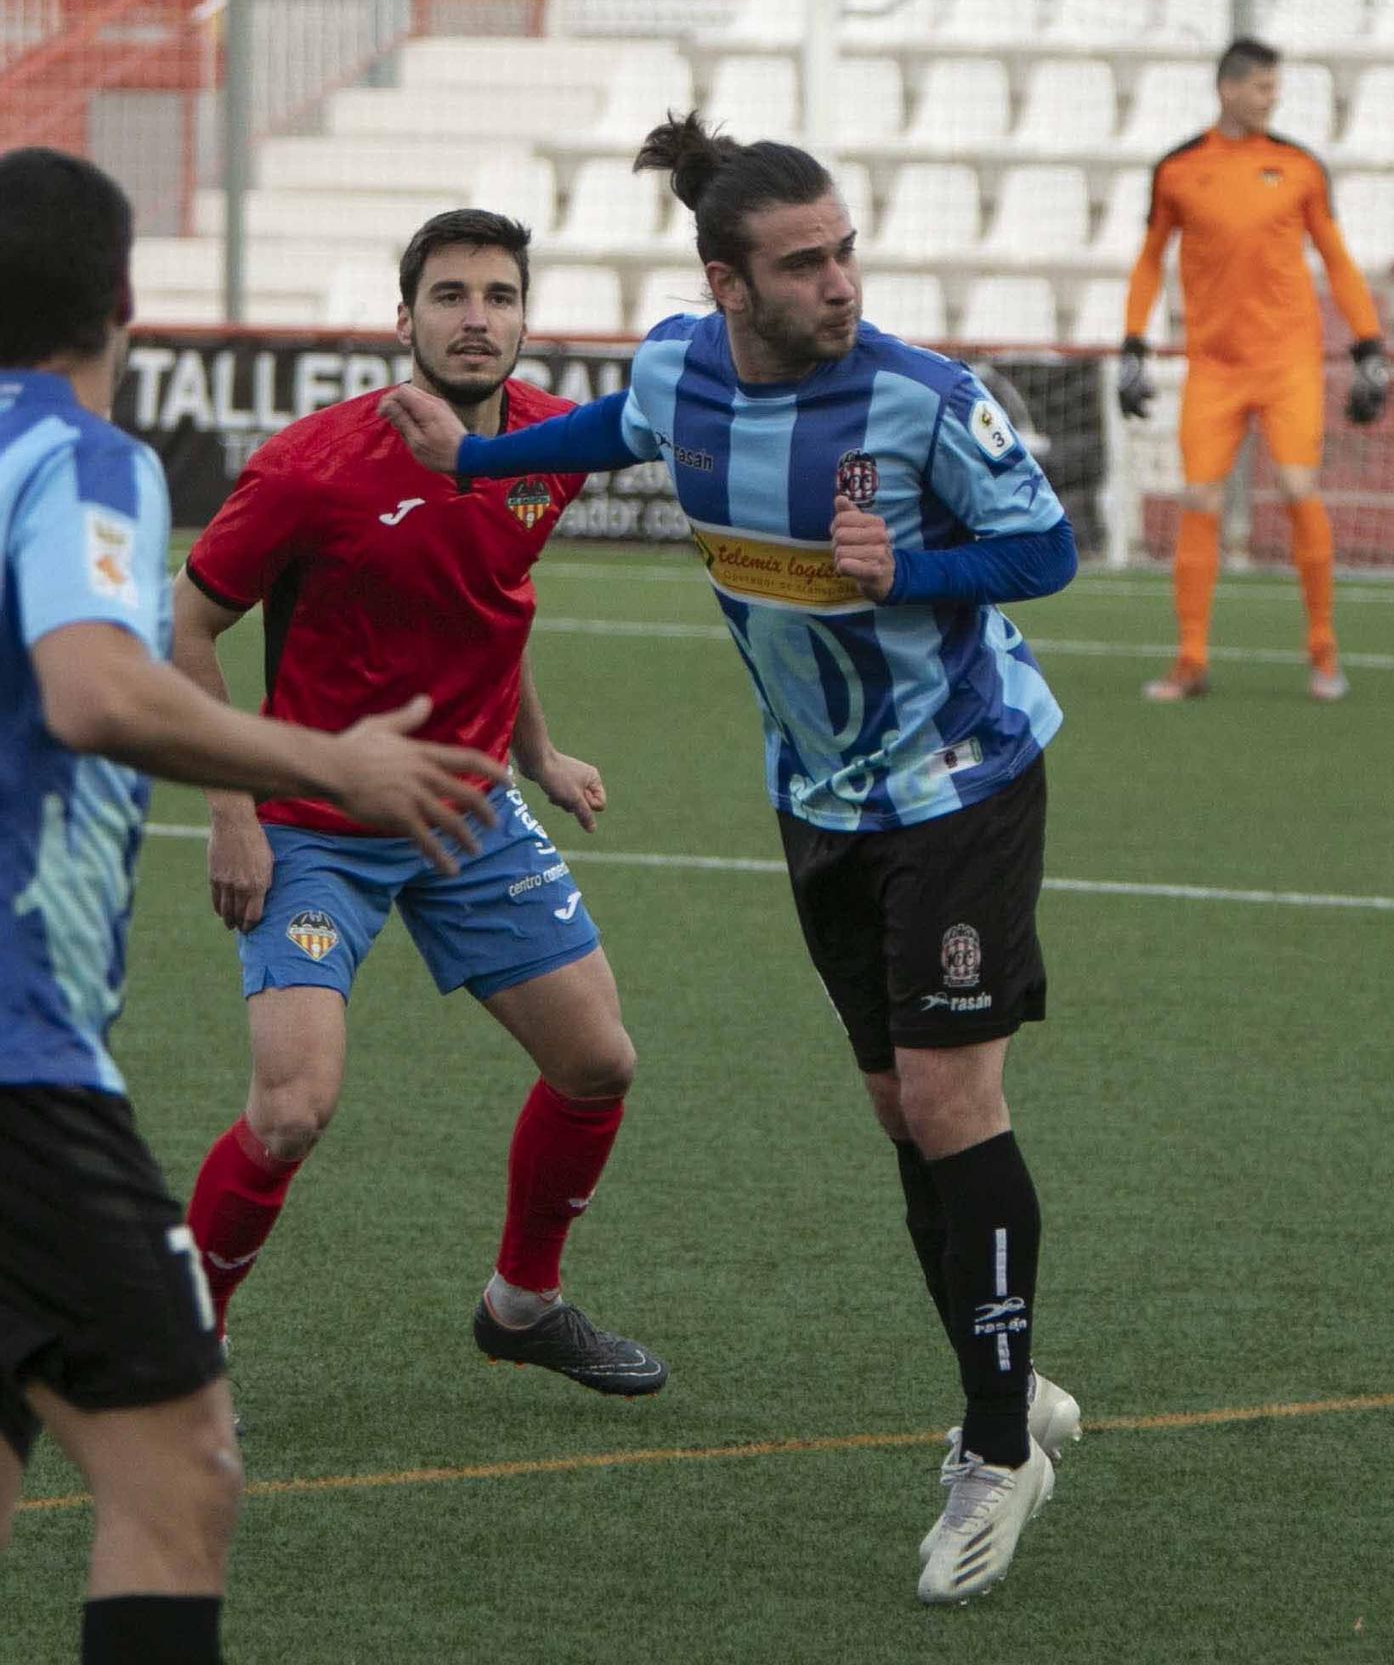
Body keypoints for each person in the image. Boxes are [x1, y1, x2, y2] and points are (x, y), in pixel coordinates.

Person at [381, 116, 1083, 1606]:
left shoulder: (924, 402)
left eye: (845, 253)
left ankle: (992, 1440)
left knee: (955, 1098)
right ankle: (1002, 1374)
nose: (840, 283)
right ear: (726, 284)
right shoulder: (674, 370)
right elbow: (612, 432)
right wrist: (485, 456)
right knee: (901, 1106)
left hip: (959, 776)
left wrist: (915, 571)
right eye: (804, 263)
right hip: (817, 795)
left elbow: (1044, 550)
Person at [0, 149, 504, 1665]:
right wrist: (318, 764)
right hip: (20, 1073)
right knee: (180, 1480)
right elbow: (94, 692)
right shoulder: (77, 456)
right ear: (125, 301)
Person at [175, 209, 666, 1406]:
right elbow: (184, 628)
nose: (475, 318)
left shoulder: (551, 440)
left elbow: (495, 595)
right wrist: (233, 809)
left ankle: (523, 1303)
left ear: (524, 319)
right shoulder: (310, 466)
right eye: (448, 296)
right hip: (312, 822)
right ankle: (184, 1339)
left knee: (598, 1061)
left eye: (498, 296)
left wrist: (538, 753)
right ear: (404, 321)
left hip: (465, 810)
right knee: (292, 1107)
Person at [1119, 35, 1390, 703]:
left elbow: (1336, 256)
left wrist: (1369, 345)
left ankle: (1323, 651)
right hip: (1213, 365)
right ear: (1229, 89)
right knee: (1198, 500)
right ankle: (1190, 660)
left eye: (1275, 88)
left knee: (1300, 489)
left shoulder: (1297, 166)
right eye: (1264, 87)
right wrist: (1132, 343)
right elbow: (1151, 258)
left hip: (1287, 361)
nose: (1274, 99)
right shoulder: (1179, 169)